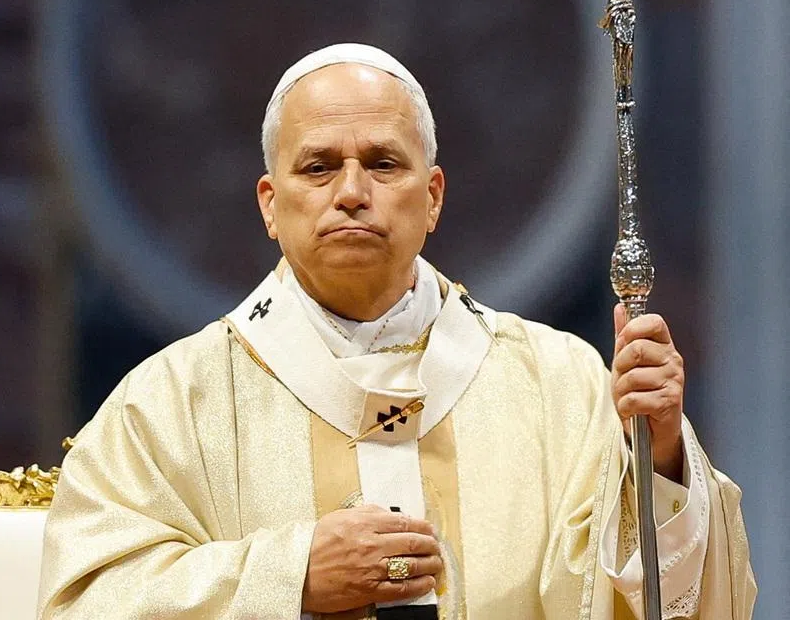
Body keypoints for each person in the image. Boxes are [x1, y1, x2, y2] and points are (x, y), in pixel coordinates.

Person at [37, 44, 755, 619]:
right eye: (318, 167)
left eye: (383, 163)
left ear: (433, 196)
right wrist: (291, 578)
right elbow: (82, 600)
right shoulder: (168, 407)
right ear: (269, 203)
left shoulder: (560, 383)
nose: (352, 191)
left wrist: (658, 458)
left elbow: (677, 600)